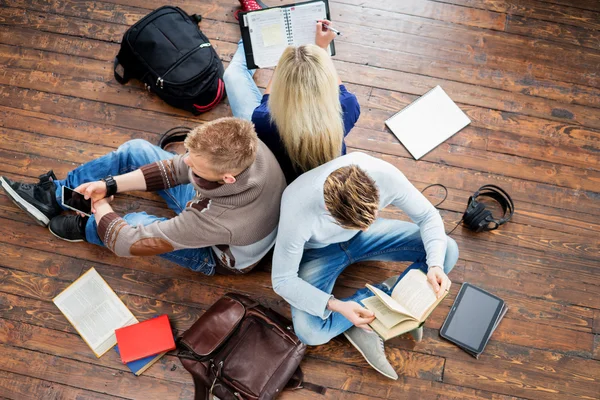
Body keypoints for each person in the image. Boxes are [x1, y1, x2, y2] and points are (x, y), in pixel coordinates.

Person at [0, 117, 287, 275]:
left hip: (220, 254)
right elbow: (176, 167)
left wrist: (100, 207)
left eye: (195, 165)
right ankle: (53, 195)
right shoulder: (243, 143)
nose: (185, 162)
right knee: (137, 149)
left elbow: (129, 243)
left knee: (134, 221)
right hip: (223, 211)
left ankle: (87, 228)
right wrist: (110, 186)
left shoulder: (220, 220)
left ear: (226, 178)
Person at [271, 152, 459, 380]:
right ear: (328, 210)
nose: (367, 226)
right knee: (310, 332)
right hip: (318, 253)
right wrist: (338, 305)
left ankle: (390, 299)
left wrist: (435, 265)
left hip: (361, 239)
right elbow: (282, 280)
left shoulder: (383, 174)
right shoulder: (297, 205)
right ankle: (381, 307)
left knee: (447, 250)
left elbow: (428, 216)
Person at [224, 0, 361, 183]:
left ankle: (254, 26)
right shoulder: (348, 106)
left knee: (233, 74)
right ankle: (255, 22)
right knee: (234, 76)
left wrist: (281, 62)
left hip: (274, 179)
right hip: (313, 183)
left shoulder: (264, 119)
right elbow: (332, 80)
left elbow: (270, 97)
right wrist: (321, 49)